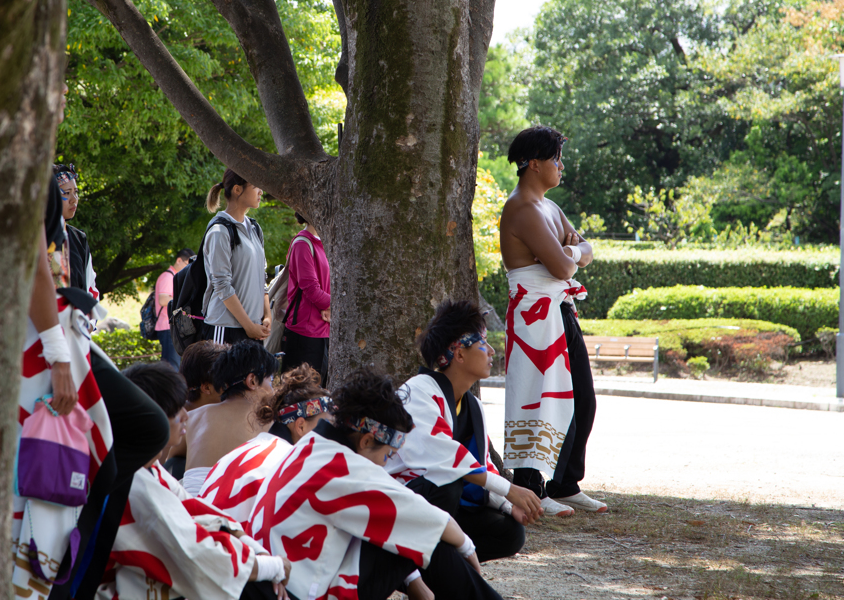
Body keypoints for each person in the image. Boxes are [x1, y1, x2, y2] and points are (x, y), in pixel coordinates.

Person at [12, 181, 170, 600]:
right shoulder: (17, 156)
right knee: (132, 437)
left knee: (105, 461)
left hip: (45, 335)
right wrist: (57, 352)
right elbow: (32, 258)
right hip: (39, 342)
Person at [248, 369, 506, 600]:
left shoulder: (309, 445)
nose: (385, 465)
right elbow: (436, 522)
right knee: (421, 532)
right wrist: (468, 548)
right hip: (303, 590)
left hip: (284, 580)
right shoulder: (345, 469)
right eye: (387, 455)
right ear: (367, 441)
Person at [99, 361, 293, 600]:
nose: (185, 416)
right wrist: (272, 566)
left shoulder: (147, 467)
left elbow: (195, 507)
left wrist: (253, 549)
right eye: (174, 410)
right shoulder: (133, 485)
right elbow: (198, 557)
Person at [497, 125, 605, 516]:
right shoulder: (522, 208)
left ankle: (565, 483)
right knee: (536, 397)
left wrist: (571, 252)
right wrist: (570, 252)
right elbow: (563, 265)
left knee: (581, 399)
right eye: (557, 159)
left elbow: (586, 249)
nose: (561, 166)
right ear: (536, 164)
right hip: (533, 317)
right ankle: (531, 486)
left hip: (559, 310)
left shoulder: (549, 207)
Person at [389, 300, 543, 564]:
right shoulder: (418, 392)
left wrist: (508, 504)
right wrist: (509, 490)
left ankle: (442, 566)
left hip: (440, 507)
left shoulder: (474, 407)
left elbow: (482, 465)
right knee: (446, 484)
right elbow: (441, 457)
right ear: (458, 353)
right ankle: (419, 568)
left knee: (510, 532)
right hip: (398, 506)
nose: (492, 351)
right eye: (483, 342)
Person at [199, 364, 331, 524]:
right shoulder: (289, 465)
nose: (330, 437)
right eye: (326, 426)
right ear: (301, 426)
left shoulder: (244, 449)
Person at [181, 340, 278, 496]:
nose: (272, 390)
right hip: (232, 511)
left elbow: (169, 463)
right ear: (252, 381)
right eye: (270, 381)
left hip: (189, 507)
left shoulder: (192, 417)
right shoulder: (268, 420)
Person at [202, 169, 271, 345]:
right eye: (256, 186)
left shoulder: (255, 228)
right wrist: (248, 326)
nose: (261, 192)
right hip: (225, 329)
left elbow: (261, 277)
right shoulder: (220, 231)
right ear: (237, 190)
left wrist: (267, 316)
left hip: (254, 329)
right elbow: (222, 285)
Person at [163, 339, 229, 479]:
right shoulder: (175, 417)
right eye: (228, 381)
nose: (235, 387)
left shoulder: (211, 411)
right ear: (206, 388)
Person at [280, 212, 331, 385]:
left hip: (325, 330)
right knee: (300, 395)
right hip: (305, 333)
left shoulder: (326, 242)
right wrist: (333, 307)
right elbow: (311, 289)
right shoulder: (302, 243)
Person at [53, 162, 98, 299]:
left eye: (76, 192)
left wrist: (88, 319)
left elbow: (90, 287)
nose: (74, 200)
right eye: (67, 193)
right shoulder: (36, 237)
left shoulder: (79, 239)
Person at [154, 248, 193, 366]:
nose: (189, 267)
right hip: (167, 326)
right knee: (172, 365)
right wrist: (183, 300)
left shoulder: (175, 276)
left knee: (173, 364)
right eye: (188, 264)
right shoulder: (168, 277)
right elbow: (163, 300)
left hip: (170, 325)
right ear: (179, 260)